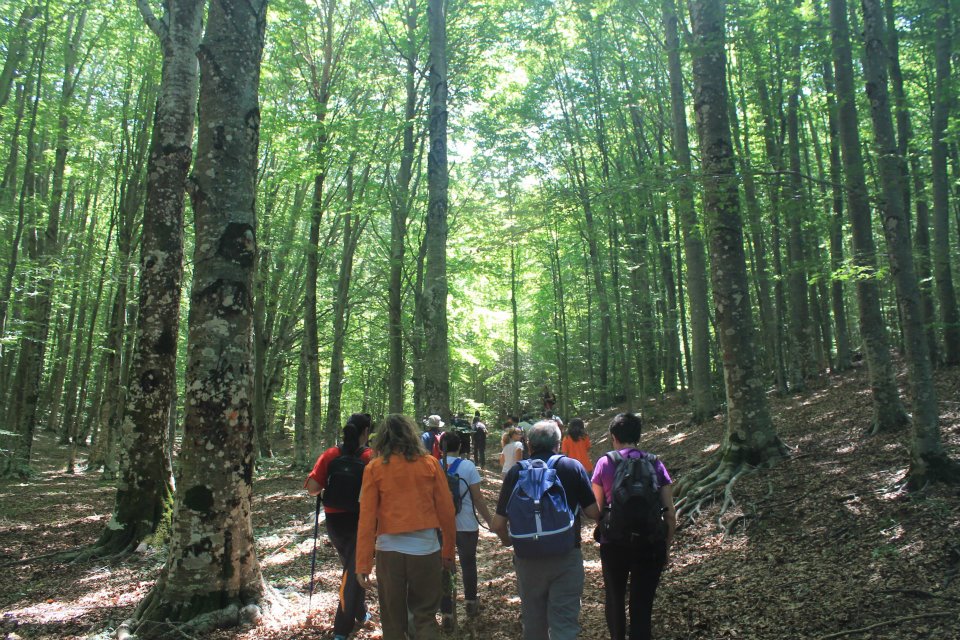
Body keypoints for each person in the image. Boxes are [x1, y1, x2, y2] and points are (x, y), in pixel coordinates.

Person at [491, 420, 600, 640]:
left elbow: (498, 524)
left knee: (533, 624)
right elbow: (593, 512)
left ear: (529, 445)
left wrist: (509, 541)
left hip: (528, 559)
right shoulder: (572, 467)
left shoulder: (516, 472)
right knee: (564, 625)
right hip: (566, 555)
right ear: (558, 444)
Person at [356, 414, 457, 640]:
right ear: (412, 435)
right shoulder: (430, 464)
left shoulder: (374, 468)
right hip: (426, 551)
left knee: (393, 622)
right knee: (425, 618)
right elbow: (447, 512)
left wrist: (363, 563)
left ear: (382, 438)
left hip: (388, 552)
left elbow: (367, 519)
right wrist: (448, 553)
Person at [591, 413, 676, 640]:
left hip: (614, 544)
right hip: (650, 543)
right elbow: (670, 513)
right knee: (642, 605)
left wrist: (606, 528)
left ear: (613, 436)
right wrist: (666, 546)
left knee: (615, 600)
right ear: (638, 436)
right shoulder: (655, 463)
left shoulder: (604, 463)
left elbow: (597, 510)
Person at [304, 413, 374, 640]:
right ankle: (341, 630)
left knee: (352, 568)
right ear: (366, 432)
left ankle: (360, 613)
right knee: (353, 571)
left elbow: (312, 488)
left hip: (335, 521)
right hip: (361, 520)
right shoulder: (371, 457)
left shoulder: (331, 454)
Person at [438, 431, 494, 626]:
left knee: (445, 567)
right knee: (468, 564)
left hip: (441, 526)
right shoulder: (468, 466)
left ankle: (446, 612)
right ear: (460, 447)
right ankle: (470, 602)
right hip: (467, 524)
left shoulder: (434, 466)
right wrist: (490, 521)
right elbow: (477, 498)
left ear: (441, 447)